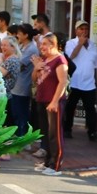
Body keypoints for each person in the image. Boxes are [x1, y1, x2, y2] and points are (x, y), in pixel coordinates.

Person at [32, 33, 69, 176]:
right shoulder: (44, 59)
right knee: (46, 133)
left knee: (55, 133)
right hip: (41, 99)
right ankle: (48, 162)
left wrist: (54, 101)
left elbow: (63, 82)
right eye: (41, 44)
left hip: (53, 101)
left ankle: (56, 164)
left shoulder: (60, 60)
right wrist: (36, 68)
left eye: (44, 44)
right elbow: (34, 79)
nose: (42, 47)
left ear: (52, 44)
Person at [64, 22, 97, 140]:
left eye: (86, 29)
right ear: (76, 31)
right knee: (70, 108)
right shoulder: (70, 43)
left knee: (90, 109)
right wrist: (80, 44)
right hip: (74, 82)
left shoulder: (93, 45)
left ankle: (92, 132)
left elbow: (95, 64)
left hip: (89, 83)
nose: (84, 31)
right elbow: (70, 57)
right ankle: (67, 130)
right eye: (81, 29)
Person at [7, 23, 37, 143]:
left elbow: (19, 64)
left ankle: (23, 140)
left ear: (26, 35)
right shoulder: (23, 46)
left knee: (22, 114)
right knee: (16, 113)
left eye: (20, 33)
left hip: (23, 86)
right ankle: (20, 138)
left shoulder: (32, 49)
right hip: (17, 85)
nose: (17, 35)